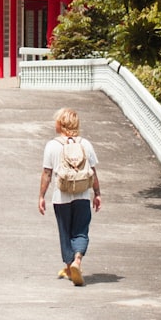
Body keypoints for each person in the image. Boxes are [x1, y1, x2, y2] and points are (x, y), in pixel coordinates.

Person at [37, 107, 101, 286]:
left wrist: (41, 196)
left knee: (65, 232)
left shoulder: (52, 145)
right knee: (81, 230)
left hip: (61, 197)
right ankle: (77, 261)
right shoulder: (85, 144)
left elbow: (47, 174)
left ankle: (70, 267)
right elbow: (93, 172)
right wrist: (97, 193)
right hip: (82, 195)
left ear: (61, 124)